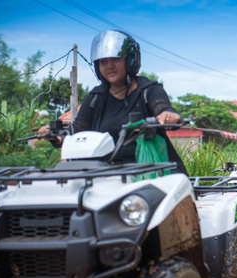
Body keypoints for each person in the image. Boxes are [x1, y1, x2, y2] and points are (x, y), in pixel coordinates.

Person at [38, 30, 187, 175]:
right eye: (103, 62)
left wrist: (167, 116)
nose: (109, 66)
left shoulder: (148, 90)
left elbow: (162, 107)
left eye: (115, 59)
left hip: (152, 171)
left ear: (130, 60)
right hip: (107, 175)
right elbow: (78, 128)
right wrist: (58, 135)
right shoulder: (95, 97)